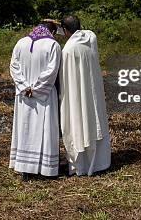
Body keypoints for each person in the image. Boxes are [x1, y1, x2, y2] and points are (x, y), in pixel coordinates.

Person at [9, 19, 61, 180]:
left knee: (24, 128)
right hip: (44, 95)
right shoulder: (53, 45)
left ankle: (25, 168)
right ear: (52, 31)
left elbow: (14, 67)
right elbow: (52, 71)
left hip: (25, 95)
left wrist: (25, 87)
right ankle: (44, 168)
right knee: (44, 129)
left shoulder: (21, 43)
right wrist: (37, 89)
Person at [59, 15, 111, 176]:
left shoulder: (68, 50)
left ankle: (80, 165)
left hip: (75, 94)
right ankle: (99, 162)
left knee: (77, 123)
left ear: (65, 30)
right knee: (93, 121)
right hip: (92, 92)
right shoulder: (90, 38)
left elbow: (64, 78)